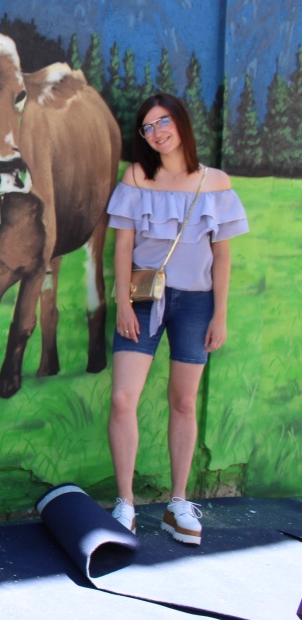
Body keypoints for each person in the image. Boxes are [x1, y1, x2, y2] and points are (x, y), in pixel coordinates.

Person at [107, 94, 248, 545]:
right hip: (144, 299)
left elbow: (222, 256)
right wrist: (123, 303)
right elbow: (123, 246)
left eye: (163, 121)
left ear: (181, 123)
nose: (156, 132)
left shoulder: (217, 182)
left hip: (197, 303)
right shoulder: (136, 176)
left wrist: (220, 314)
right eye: (147, 127)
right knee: (123, 398)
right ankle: (125, 503)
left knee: (183, 402)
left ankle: (178, 502)